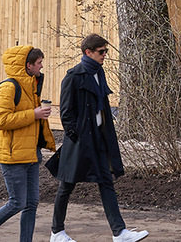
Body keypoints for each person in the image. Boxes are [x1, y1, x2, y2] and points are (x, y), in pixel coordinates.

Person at [46, 34, 148, 242]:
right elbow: (66, 113)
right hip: (80, 141)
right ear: (88, 52)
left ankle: (119, 233)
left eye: (106, 52)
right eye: (101, 52)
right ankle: (57, 232)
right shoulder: (73, 77)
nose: (105, 56)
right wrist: (77, 135)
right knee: (67, 184)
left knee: (106, 181)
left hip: (100, 138)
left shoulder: (99, 73)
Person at [0, 45, 55, 242]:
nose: (41, 66)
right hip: (12, 154)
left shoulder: (31, 87)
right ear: (28, 65)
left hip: (31, 153)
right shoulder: (9, 87)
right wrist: (33, 114)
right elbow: (0, 121)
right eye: (39, 63)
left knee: (31, 203)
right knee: (17, 203)